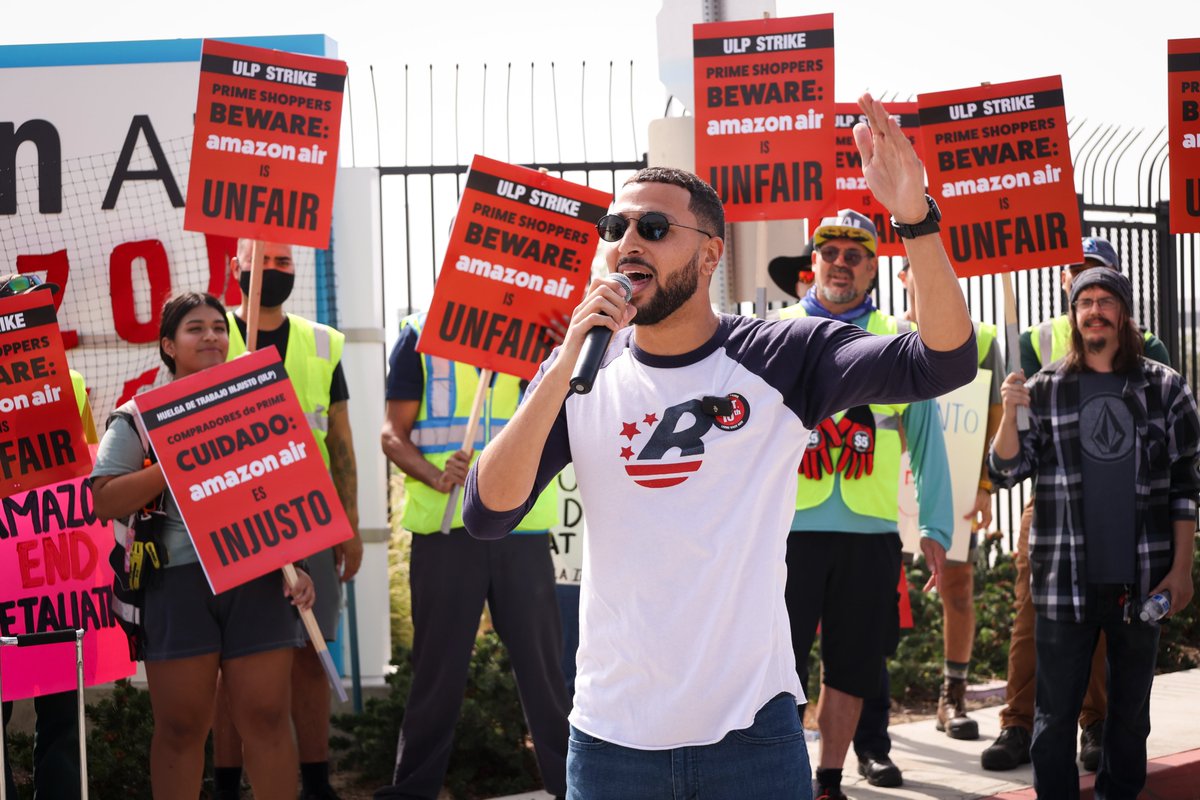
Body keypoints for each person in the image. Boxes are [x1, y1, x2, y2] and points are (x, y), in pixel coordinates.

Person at [462, 94, 977, 800]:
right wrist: (561, 364)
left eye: (652, 226)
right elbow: (486, 514)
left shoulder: (784, 354)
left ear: (709, 254)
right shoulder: (580, 373)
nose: (627, 241)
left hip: (752, 744)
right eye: (616, 227)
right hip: (613, 745)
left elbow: (944, 363)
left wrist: (915, 217)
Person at [91, 292, 315, 800]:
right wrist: (177, 455)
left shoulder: (257, 401)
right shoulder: (136, 417)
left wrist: (298, 568)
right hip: (175, 584)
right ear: (168, 344)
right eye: (195, 328)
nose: (211, 335)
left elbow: (289, 490)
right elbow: (103, 499)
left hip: (258, 576)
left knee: (266, 717)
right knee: (182, 726)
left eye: (219, 326)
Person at [988, 268, 1198, 800]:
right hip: (1065, 582)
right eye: (1085, 302)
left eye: (1106, 301)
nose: (1095, 310)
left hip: (1143, 581)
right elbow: (1008, 471)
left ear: (1124, 313)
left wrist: (1180, 568)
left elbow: (1185, 483)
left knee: (1128, 722)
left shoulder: (1166, 388)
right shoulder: (1046, 389)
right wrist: (1010, 416)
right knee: (1053, 721)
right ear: (1074, 315)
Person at [777, 217, 954, 799]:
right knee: (776, 666)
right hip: (787, 531)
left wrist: (935, 524)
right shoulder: (775, 332)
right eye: (830, 252)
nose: (841, 263)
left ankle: (829, 780)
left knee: (852, 666)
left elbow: (927, 436)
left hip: (869, 532)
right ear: (815, 261)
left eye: (855, 255)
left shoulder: (899, 336)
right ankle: (779, 777)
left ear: (873, 267)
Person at [374, 313, 569, 800]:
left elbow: (571, 411)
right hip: (445, 531)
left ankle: (574, 787)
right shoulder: (419, 335)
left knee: (545, 673)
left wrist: (561, 349)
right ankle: (412, 791)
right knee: (436, 673)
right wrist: (434, 474)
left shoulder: (544, 334)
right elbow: (391, 434)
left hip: (519, 525)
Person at [211, 239, 362, 800]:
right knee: (233, 665)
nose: (274, 270)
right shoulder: (212, 333)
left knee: (310, 653)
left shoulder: (322, 343)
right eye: (263, 261)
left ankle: (318, 784)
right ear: (236, 268)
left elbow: (340, 438)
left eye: (284, 262)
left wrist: (349, 523)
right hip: (231, 521)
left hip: (311, 521)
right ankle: (227, 785)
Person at [0, 272, 98, 800]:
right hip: (5, 571)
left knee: (60, 701)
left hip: (49, 572)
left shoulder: (73, 384)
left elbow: (85, 477)